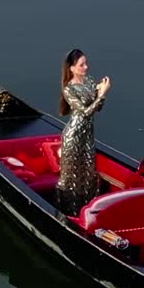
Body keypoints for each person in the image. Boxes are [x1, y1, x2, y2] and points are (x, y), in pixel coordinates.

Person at [56, 49, 111, 214]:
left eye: (86, 63)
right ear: (72, 68)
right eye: (82, 65)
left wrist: (100, 92)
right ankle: (64, 211)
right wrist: (101, 94)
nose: (86, 67)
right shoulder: (69, 89)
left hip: (87, 137)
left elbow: (97, 108)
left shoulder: (89, 81)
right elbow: (85, 112)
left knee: (88, 175)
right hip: (73, 136)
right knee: (70, 178)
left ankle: (86, 210)